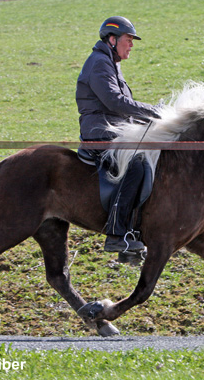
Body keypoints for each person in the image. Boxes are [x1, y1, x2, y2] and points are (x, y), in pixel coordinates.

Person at [76, 16, 160, 253]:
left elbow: (123, 105)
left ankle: (135, 228)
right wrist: (155, 113)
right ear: (112, 40)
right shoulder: (99, 63)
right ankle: (116, 234)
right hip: (100, 136)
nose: (131, 45)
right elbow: (115, 102)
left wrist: (150, 117)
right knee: (134, 165)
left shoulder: (111, 63)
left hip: (111, 131)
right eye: (128, 39)